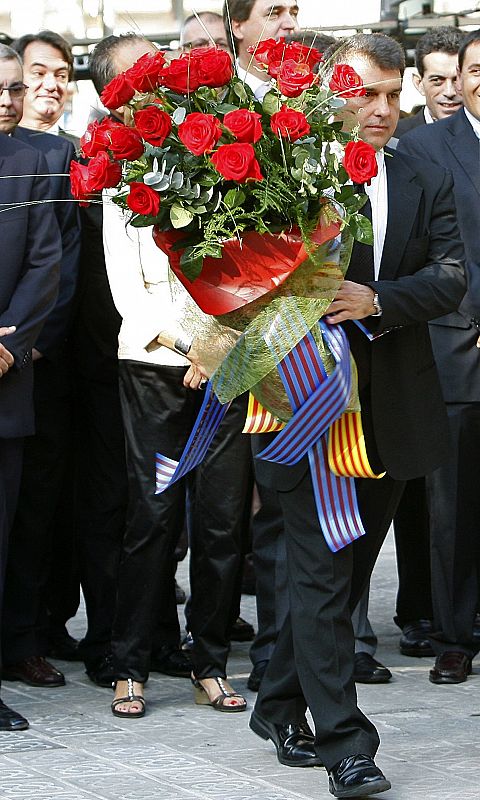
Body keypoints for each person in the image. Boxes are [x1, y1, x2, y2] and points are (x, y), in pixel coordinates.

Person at [224, 19, 466, 796]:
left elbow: (454, 275)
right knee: (324, 577)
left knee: (346, 577)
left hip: (392, 412)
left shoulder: (422, 176)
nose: (381, 109)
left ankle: (278, 700)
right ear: (328, 90)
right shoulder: (278, 179)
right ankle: (348, 747)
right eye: (362, 91)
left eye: (393, 95)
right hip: (300, 409)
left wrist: (377, 299)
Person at [91, 32, 252, 718]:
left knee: (221, 523)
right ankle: (130, 663)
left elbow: (252, 263)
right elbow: (129, 292)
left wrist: (219, 346)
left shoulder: (220, 155)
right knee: (152, 518)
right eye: (138, 77)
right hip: (156, 368)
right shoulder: (117, 175)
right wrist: (194, 345)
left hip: (229, 366)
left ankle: (208, 660)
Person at [398, 29, 480, 685]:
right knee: (454, 503)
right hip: (460, 344)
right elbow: (434, 250)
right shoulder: (424, 146)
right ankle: (456, 634)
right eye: (473, 69)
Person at [1, 31, 81, 690]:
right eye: (25, 77)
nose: (17, 97)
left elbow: (53, 260)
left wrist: (15, 343)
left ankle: (23, 636)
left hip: (27, 365)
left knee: (27, 516)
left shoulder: (50, 160)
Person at [396, 26, 465, 135]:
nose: (449, 92)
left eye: (458, 79)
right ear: (419, 83)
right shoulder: (394, 139)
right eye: (437, 80)